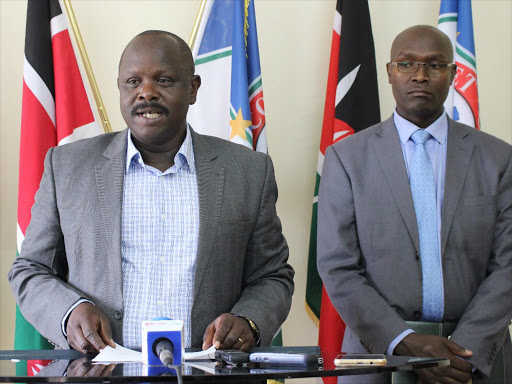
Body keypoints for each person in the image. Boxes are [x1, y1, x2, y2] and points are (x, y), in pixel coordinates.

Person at [9, 30, 294, 354]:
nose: (146, 93)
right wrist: (69, 312)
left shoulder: (248, 172)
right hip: (98, 372)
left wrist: (248, 321)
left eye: (164, 80)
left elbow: (273, 275)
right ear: (120, 88)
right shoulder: (68, 167)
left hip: (211, 373)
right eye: (133, 82)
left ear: (192, 89)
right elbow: (30, 268)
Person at [317, 25, 512, 384]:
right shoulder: (346, 158)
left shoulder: (498, 158)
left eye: (435, 65)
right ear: (389, 72)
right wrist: (404, 342)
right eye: (406, 64)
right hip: (377, 356)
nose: (420, 76)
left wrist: (463, 351)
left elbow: (508, 266)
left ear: (453, 74)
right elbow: (337, 266)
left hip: (473, 361)